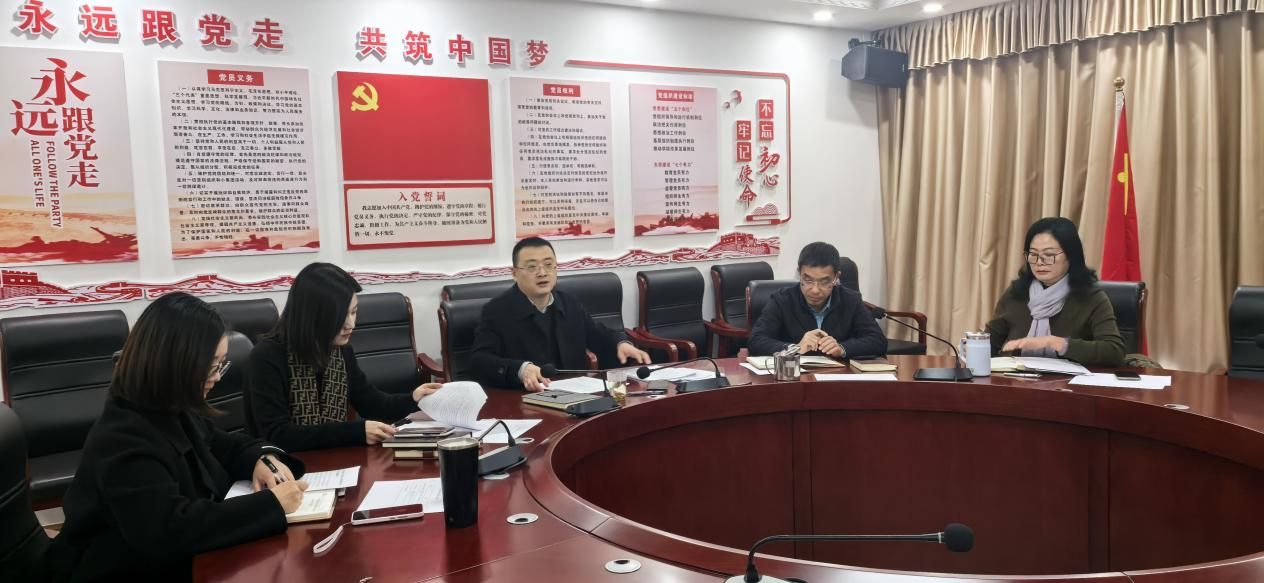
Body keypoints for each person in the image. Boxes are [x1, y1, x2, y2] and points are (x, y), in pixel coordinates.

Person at [45, 293, 309, 582]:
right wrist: (270, 505)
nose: (217, 377)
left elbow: (224, 445)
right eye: (212, 366)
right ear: (174, 364)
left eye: (221, 364)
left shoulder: (172, 408)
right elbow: (170, 530)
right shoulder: (123, 438)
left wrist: (263, 459)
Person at [246, 263, 442, 451]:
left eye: (354, 312)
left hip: (333, 461)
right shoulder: (266, 357)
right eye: (341, 316)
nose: (351, 324)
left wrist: (414, 398)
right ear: (313, 315)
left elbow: (371, 403)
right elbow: (278, 435)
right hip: (281, 465)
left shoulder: (341, 351)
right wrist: (355, 432)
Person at [465, 237, 650, 391]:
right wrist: (520, 370)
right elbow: (479, 361)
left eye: (548, 265)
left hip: (576, 394)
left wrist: (620, 343)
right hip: (525, 398)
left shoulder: (569, 303)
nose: (542, 273)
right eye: (531, 267)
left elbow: (596, 334)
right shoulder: (497, 311)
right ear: (514, 273)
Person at [985, 217, 1125, 366]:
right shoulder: (1016, 294)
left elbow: (1114, 351)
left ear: (1071, 255)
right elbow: (989, 343)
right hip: (1016, 377)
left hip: (1070, 380)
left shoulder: (1091, 298)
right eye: (1033, 255)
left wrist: (1057, 343)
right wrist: (974, 345)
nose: (1039, 262)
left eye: (1049, 255)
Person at [749, 242, 887, 358]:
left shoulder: (850, 300)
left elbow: (878, 341)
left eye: (824, 282)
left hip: (838, 376)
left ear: (836, 277)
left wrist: (842, 348)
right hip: (794, 376)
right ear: (799, 273)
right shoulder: (782, 300)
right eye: (808, 280)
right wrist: (795, 348)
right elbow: (756, 341)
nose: (815, 290)